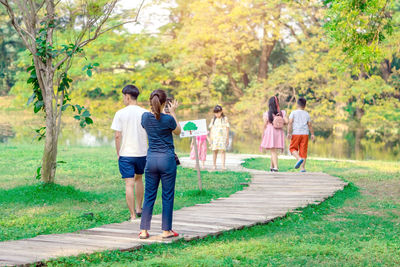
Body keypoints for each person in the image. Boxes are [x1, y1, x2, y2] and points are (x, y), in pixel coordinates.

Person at [139, 89, 181, 239]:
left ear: (151, 102)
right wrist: (173, 112)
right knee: (167, 196)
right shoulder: (168, 119)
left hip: (151, 161)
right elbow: (178, 131)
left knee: (149, 195)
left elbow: (149, 124)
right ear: (164, 103)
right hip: (167, 160)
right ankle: (166, 230)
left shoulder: (144, 117)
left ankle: (143, 230)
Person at [111, 85, 147, 221]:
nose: (123, 99)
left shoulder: (120, 113)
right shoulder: (145, 113)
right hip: (142, 153)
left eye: (123, 96)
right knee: (139, 179)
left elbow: (117, 135)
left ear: (127, 96)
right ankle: (139, 208)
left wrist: (118, 153)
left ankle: (132, 215)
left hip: (126, 154)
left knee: (129, 183)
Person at [260, 96, 288, 172]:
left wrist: (263, 134)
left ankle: (275, 167)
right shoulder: (282, 113)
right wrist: (280, 119)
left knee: (273, 151)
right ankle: (271, 166)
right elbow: (287, 122)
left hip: (270, 132)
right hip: (279, 132)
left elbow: (265, 124)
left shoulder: (267, 114)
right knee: (274, 150)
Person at [287, 97, 315, 172]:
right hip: (305, 134)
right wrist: (312, 134)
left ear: (297, 105)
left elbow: (290, 123)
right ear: (305, 106)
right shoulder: (307, 114)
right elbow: (309, 125)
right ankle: (302, 168)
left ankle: (299, 159)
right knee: (303, 151)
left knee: (292, 148)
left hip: (296, 133)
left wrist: (289, 133)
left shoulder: (293, 112)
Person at [209, 105, 230, 170]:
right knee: (215, 151)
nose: (217, 114)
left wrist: (227, 138)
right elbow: (211, 129)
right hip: (215, 138)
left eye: (218, 112)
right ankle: (214, 165)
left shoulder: (225, 119)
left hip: (222, 138)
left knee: (222, 151)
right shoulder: (213, 120)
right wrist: (210, 139)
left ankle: (223, 166)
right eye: (215, 113)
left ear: (221, 112)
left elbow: (227, 128)